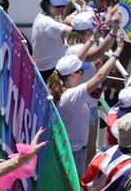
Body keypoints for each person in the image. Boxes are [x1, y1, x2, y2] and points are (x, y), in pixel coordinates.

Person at [48, 48, 121, 176]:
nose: (83, 74)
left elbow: (96, 88)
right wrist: (117, 51)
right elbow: (99, 78)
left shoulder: (65, 92)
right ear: (72, 75)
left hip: (69, 150)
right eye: (81, 71)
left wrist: (98, 69)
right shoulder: (71, 96)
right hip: (73, 153)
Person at [32, 0, 73, 80]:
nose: (60, 8)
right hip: (49, 70)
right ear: (46, 4)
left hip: (54, 65)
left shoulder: (53, 14)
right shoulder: (46, 22)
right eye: (57, 6)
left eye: (63, 5)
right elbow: (71, 32)